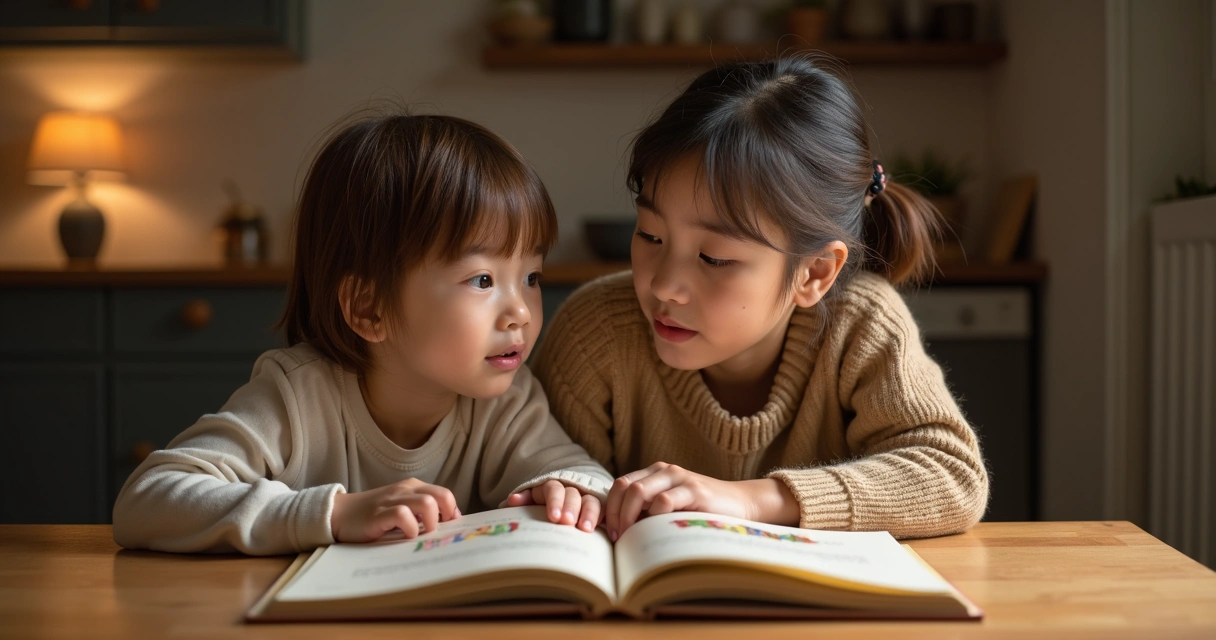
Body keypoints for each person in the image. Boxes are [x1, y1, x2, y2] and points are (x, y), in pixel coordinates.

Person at [531, 56, 989, 542]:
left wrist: (747, 498)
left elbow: (952, 476)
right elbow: (538, 465)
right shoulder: (596, 330)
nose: (664, 285)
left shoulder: (860, 324)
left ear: (814, 272)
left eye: (713, 258)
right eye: (650, 235)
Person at [113, 113, 612, 555]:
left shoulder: (507, 399)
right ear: (369, 308)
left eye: (532, 277)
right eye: (482, 280)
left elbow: (575, 471)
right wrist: (332, 514)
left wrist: (571, 488)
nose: (521, 312)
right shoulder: (297, 396)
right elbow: (147, 499)